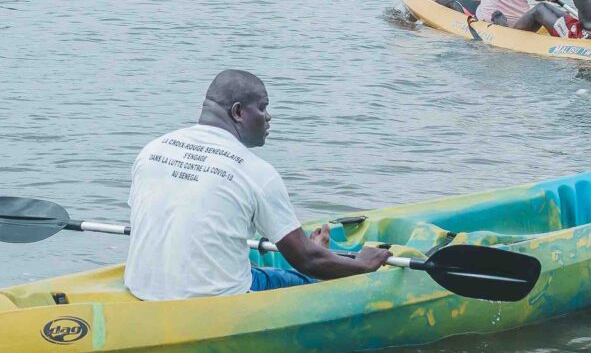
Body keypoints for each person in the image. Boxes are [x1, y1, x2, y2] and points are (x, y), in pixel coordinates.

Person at [124, 70, 392, 301]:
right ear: (238, 112)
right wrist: (361, 264)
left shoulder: (151, 150)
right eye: (262, 107)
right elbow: (306, 260)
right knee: (313, 278)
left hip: (140, 289)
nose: (268, 117)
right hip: (218, 301)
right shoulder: (254, 171)